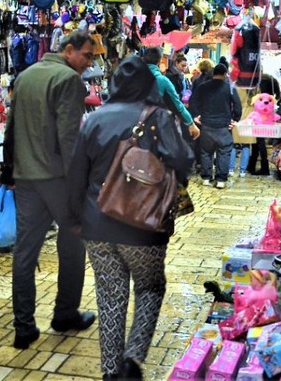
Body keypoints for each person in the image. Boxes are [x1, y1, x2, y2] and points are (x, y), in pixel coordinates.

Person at [67, 55, 193, 381]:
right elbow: (183, 159)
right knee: (150, 288)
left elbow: (75, 175)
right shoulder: (160, 118)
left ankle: (111, 372)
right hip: (144, 225)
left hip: (97, 224)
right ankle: (132, 360)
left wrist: (75, 219)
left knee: (110, 296)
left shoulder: (94, 118)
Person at [9, 29, 97, 349]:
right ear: (69, 49)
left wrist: (9, 169)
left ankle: (23, 326)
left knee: (25, 251)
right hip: (58, 178)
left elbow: (11, 127)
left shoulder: (26, 75)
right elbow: (69, 138)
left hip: (26, 175)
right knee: (73, 244)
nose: (89, 63)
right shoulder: (69, 80)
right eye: (87, 56)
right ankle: (65, 313)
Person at [188, 63, 242, 188]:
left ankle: (206, 178)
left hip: (206, 124)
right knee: (224, 151)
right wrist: (235, 119)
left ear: (213, 74)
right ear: (225, 74)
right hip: (224, 125)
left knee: (206, 152)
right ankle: (221, 180)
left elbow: (193, 101)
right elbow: (237, 106)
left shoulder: (203, 87)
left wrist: (196, 115)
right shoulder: (230, 88)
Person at [141, 47, 200, 141]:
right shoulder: (162, 80)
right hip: (155, 126)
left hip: (132, 125)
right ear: (159, 61)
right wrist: (190, 123)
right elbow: (177, 105)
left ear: (143, 59)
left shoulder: (133, 77)